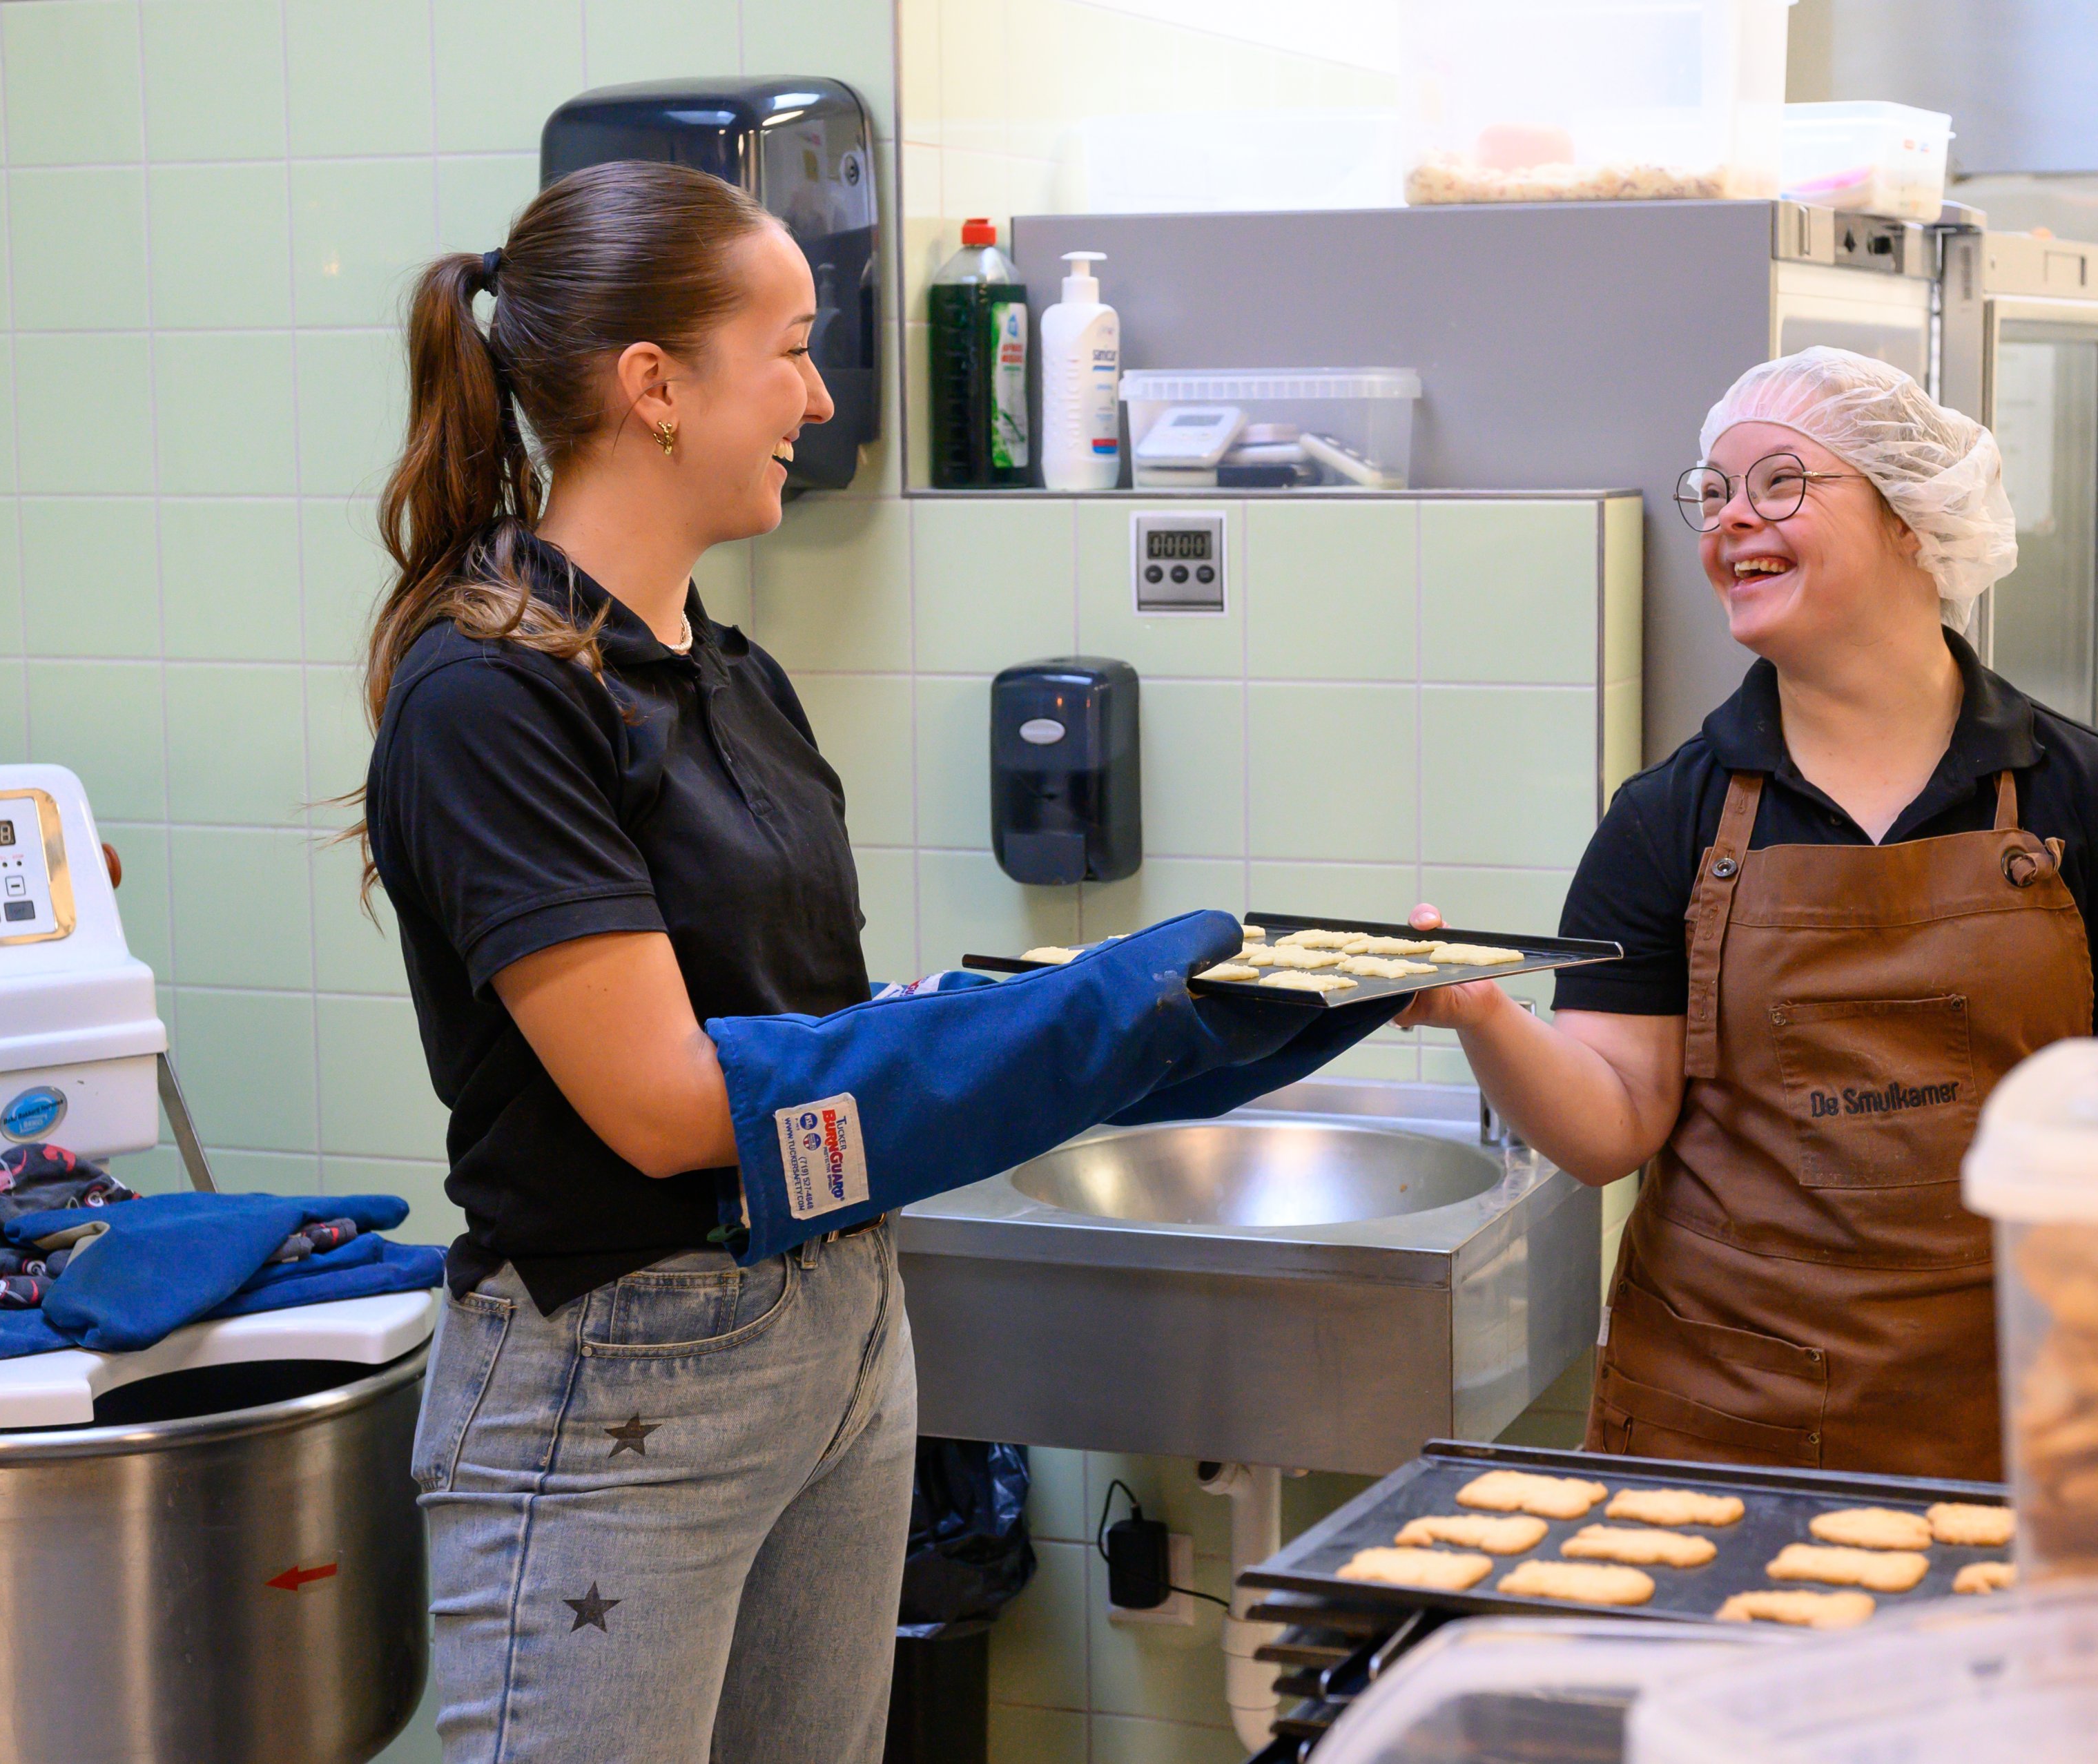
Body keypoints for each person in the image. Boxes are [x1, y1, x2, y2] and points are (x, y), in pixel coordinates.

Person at [355, 163, 1373, 1764]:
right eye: (794, 350)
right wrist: (1107, 1007)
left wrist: (1223, 1011)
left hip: (837, 1332)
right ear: (656, 387)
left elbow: (809, 1031)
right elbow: (665, 1106)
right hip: (620, 1370)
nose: (820, 400)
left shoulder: (733, 674)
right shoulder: (491, 696)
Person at [1399, 347, 2098, 1482]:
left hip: (2022, 1417)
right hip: (1722, 1421)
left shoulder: (2095, 800)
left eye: (1779, 482)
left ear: (1911, 522)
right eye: (1716, 492)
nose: (1731, 521)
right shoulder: (1669, 818)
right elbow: (1611, 1129)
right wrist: (1483, 1015)